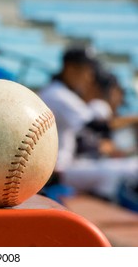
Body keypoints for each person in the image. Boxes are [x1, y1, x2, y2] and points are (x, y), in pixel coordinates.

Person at [39, 45, 138, 201]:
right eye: (86, 70)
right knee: (119, 171)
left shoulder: (59, 92)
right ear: (70, 68)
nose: (89, 77)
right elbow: (96, 125)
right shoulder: (57, 94)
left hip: (62, 167)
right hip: (56, 172)